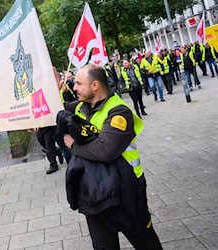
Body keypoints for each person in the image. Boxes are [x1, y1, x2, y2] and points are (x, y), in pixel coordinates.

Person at [63, 64, 162, 249]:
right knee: (103, 246)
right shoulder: (80, 106)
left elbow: (105, 150)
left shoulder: (119, 111)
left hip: (126, 190)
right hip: (94, 191)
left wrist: (74, 145)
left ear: (94, 86)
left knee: (144, 240)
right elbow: (58, 112)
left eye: (78, 83)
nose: (74, 87)